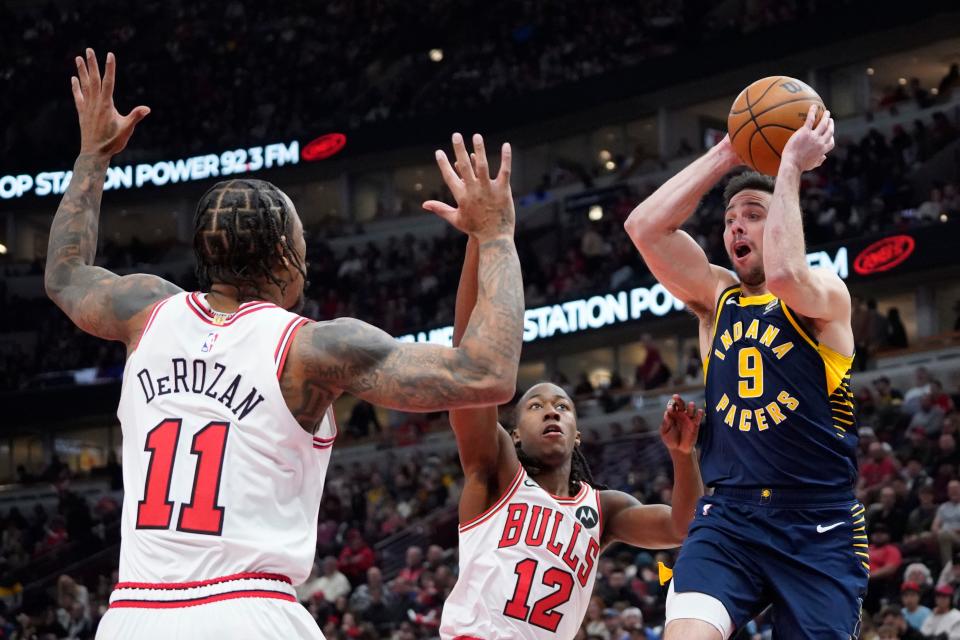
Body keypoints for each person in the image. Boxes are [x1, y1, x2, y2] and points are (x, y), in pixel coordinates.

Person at [47, 51, 525, 640]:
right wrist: (497, 236)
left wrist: (93, 155)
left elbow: (66, 274)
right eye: (301, 240)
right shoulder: (313, 348)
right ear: (282, 257)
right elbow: (487, 374)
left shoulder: (145, 313)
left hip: (132, 617)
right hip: (248, 609)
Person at [625, 104, 866, 639]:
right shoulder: (716, 298)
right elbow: (643, 227)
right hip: (729, 517)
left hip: (817, 523)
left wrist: (789, 168)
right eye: (730, 218)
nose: (736, 225)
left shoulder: (824, 296)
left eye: (753, 214)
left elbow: (784, 272)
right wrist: (729, 151)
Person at [437, 232, 704, 639]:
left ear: (577, 434)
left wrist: (684, 456)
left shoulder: (603, 510)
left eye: (563, 406)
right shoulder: (494, 472)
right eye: (536, 405)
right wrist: (480, 237)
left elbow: (682, 528)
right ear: (515, 433)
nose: (551, 411)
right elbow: (469, 369)